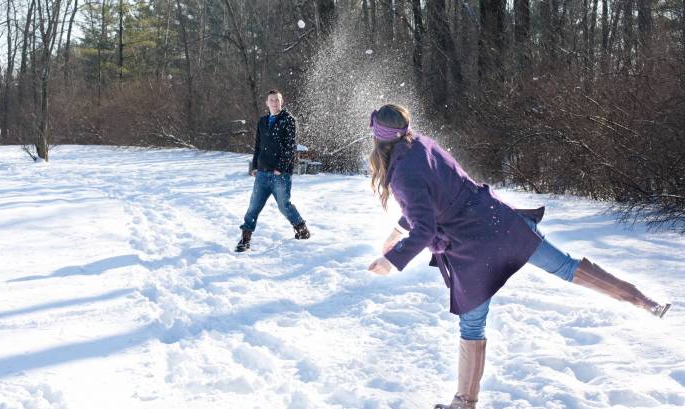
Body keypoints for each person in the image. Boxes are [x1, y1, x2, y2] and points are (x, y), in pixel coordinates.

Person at [365, 104, 671, 409]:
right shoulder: (421, 144)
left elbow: (426, 225)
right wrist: (396, 231)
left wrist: (391, 261)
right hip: (500, 222)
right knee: (567, 266)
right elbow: (440, 194)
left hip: (472, 248)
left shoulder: (402, 173)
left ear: (379, 139)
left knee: (472, 327)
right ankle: (644, 301)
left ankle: (464, 403)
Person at [236, 90, 310, 252]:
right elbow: (258, 146)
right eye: (271, 100)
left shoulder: (288, 120)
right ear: (267, 102)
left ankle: (302, 229)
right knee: (253, 207)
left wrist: (280, 168)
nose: (274, 103)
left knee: (284, 206)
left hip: (280, 174)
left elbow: (290, 147)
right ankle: (245, 239)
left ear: (281, 102)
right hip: (262, 173)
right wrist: (255, 166)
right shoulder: (262, 121)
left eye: (277, 100)